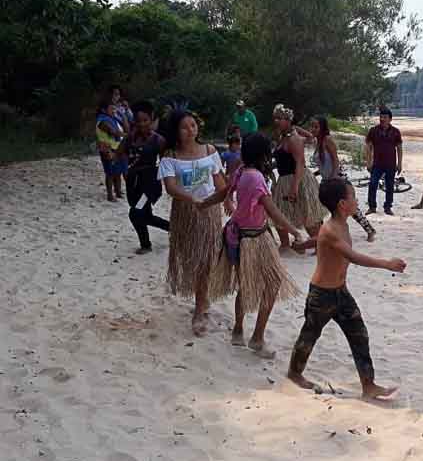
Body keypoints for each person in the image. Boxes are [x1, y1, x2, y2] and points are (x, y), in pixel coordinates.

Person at [287, 178, 406, 398]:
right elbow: (353, 257)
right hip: (321, 295)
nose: (356, 199)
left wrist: (304, 244)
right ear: (343, 204)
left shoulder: (340, 224)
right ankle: (294, 373)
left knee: (359, 336)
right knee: (309, 336)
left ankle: (368, 385)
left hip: (341, 293)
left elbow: (319, 239)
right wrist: (386, 263)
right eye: (353, 196)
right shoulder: (331, 229)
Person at [201, 133, 303, 358]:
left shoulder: (240, 171)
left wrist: (203, 204)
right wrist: (295, 231)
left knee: (245, 285)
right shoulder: (256, 178)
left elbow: (223, 193)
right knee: (271, 283)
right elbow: (272, 210)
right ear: (263, 155)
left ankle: (238, 331)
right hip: (252, 238)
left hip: (237, 236)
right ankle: (257, 337)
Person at [158, 110, 227, 337]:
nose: (191, 129)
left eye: (193, 125)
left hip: (209, 212)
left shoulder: (209, 151)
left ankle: (200, 307)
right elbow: (170, 187)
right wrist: (191, 198)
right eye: (185, 126)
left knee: (206, 258)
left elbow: (219, 181)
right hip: (186, 213)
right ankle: (202, 297)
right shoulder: (170, 156)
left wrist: (230, 203)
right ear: (175, 132)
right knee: (193, 259)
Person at [270, 104, 327, 250]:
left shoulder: (294, 139)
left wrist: (295, 187)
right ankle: (285, 244)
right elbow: (284, 159)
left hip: (297, 179)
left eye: (280, 118)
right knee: (279, 214)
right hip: (284, 179)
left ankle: (318, 244)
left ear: (289, 120)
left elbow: (300, 163)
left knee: (307, 215)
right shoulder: (283, 136)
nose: (276, 121)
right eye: (275, 118)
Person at [312, 116, 376, 242]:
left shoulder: (327, 140)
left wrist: (334, 177)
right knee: (321, 207)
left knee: (350, 208)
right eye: (312, 126)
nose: (313, 129)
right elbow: (324, 164)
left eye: (316, 126)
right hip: (326, 180)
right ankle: (322, 235)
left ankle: (370, 230)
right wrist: (317, 174)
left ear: (323, 128)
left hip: (337, 179)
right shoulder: (317, 142)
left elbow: (335, 160)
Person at [117, 101, 169, 254]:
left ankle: (145, 245)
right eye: (138, 120)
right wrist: (124, 167)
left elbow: (167, 162)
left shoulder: (158, 140)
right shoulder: (129, 139)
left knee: (135, 213)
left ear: (151, 120)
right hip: (133, 183)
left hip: (149, 184)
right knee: (146, 216)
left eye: (145, 120)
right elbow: (118, 154)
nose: (141, 124)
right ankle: (173, 228)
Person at [365, 108, 403, 215]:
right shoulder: (373, 130)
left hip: (391, 163)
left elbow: (399, 148)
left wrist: (399, 164)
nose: (382, 119)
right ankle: (372, 207)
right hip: (377, 163)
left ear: (390, 119)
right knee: (372, 184)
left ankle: (388, 207)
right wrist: (368, 162)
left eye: (385, 117)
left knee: (390, 185)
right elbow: (368, 146)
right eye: (381, 117)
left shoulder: (395, 132)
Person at [95, 101, 127, 201]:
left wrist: (123, 115)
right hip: (107, 149)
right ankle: (110, 195)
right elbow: (113, 132)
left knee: (118, 171)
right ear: (104, 110)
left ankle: (117, 191)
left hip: (116, 148)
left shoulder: (113, 119)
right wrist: (128, 136)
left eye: (114, 109)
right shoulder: (102, 121)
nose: (114, 111)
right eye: (111, 109)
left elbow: (124, 127)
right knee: (110, 172)